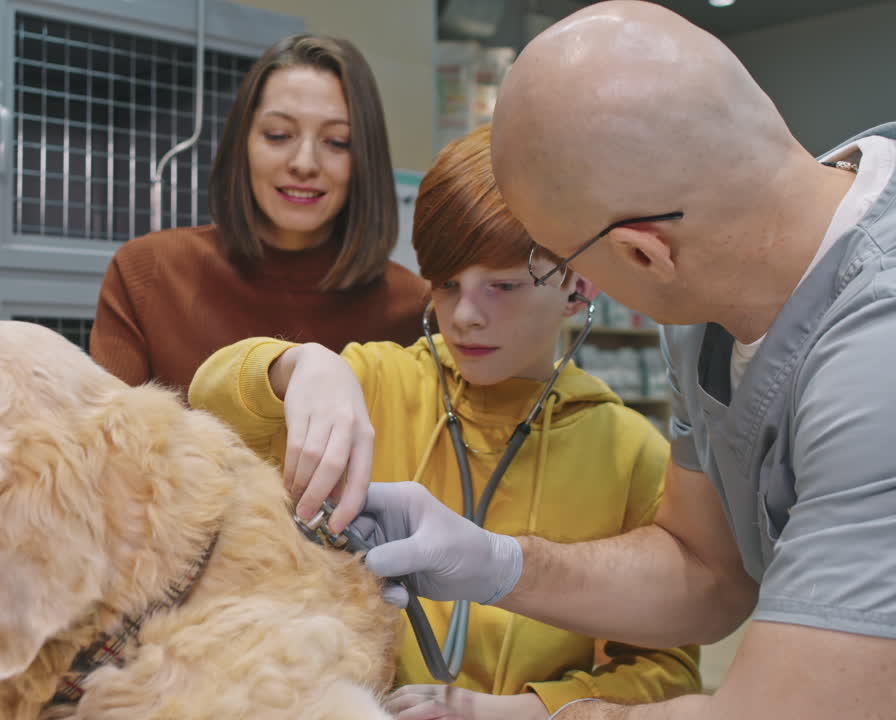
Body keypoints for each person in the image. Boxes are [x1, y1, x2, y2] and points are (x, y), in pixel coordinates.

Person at [347, 3, 896, 718]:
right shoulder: (703, 306)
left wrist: (539, 713)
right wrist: (498, 563)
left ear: (642, 252)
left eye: (564, 263)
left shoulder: (875, 361)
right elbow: (706, 573)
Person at [189, 125, 700, 720]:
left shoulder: (630, 453)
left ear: (578, 286)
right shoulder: (375, 382)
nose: (465, 317)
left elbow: (666, 667)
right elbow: (210, 400)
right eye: (447, 284)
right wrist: (297, 365)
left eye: (503, 286)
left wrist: (527, 712)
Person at [89, 34, 428, 393]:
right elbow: (107, 441)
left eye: (337, 142)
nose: (304, 163)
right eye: (279, 135)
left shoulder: (414, 309)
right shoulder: (148, 273)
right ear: (243, 143)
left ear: (365, 160)